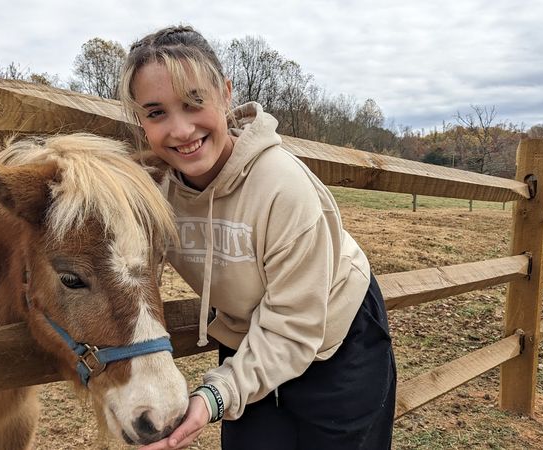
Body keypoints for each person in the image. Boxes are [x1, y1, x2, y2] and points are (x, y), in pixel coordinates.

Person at [119, 25, 396, 450]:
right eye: (156, 113)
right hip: (246, 334)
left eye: (194, 103)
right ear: (141, 120)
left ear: (226, 93)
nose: (180, 130)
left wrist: (215, 395)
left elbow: (294, 328)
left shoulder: (284, 188)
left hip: (334, 337)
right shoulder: (152, 192)